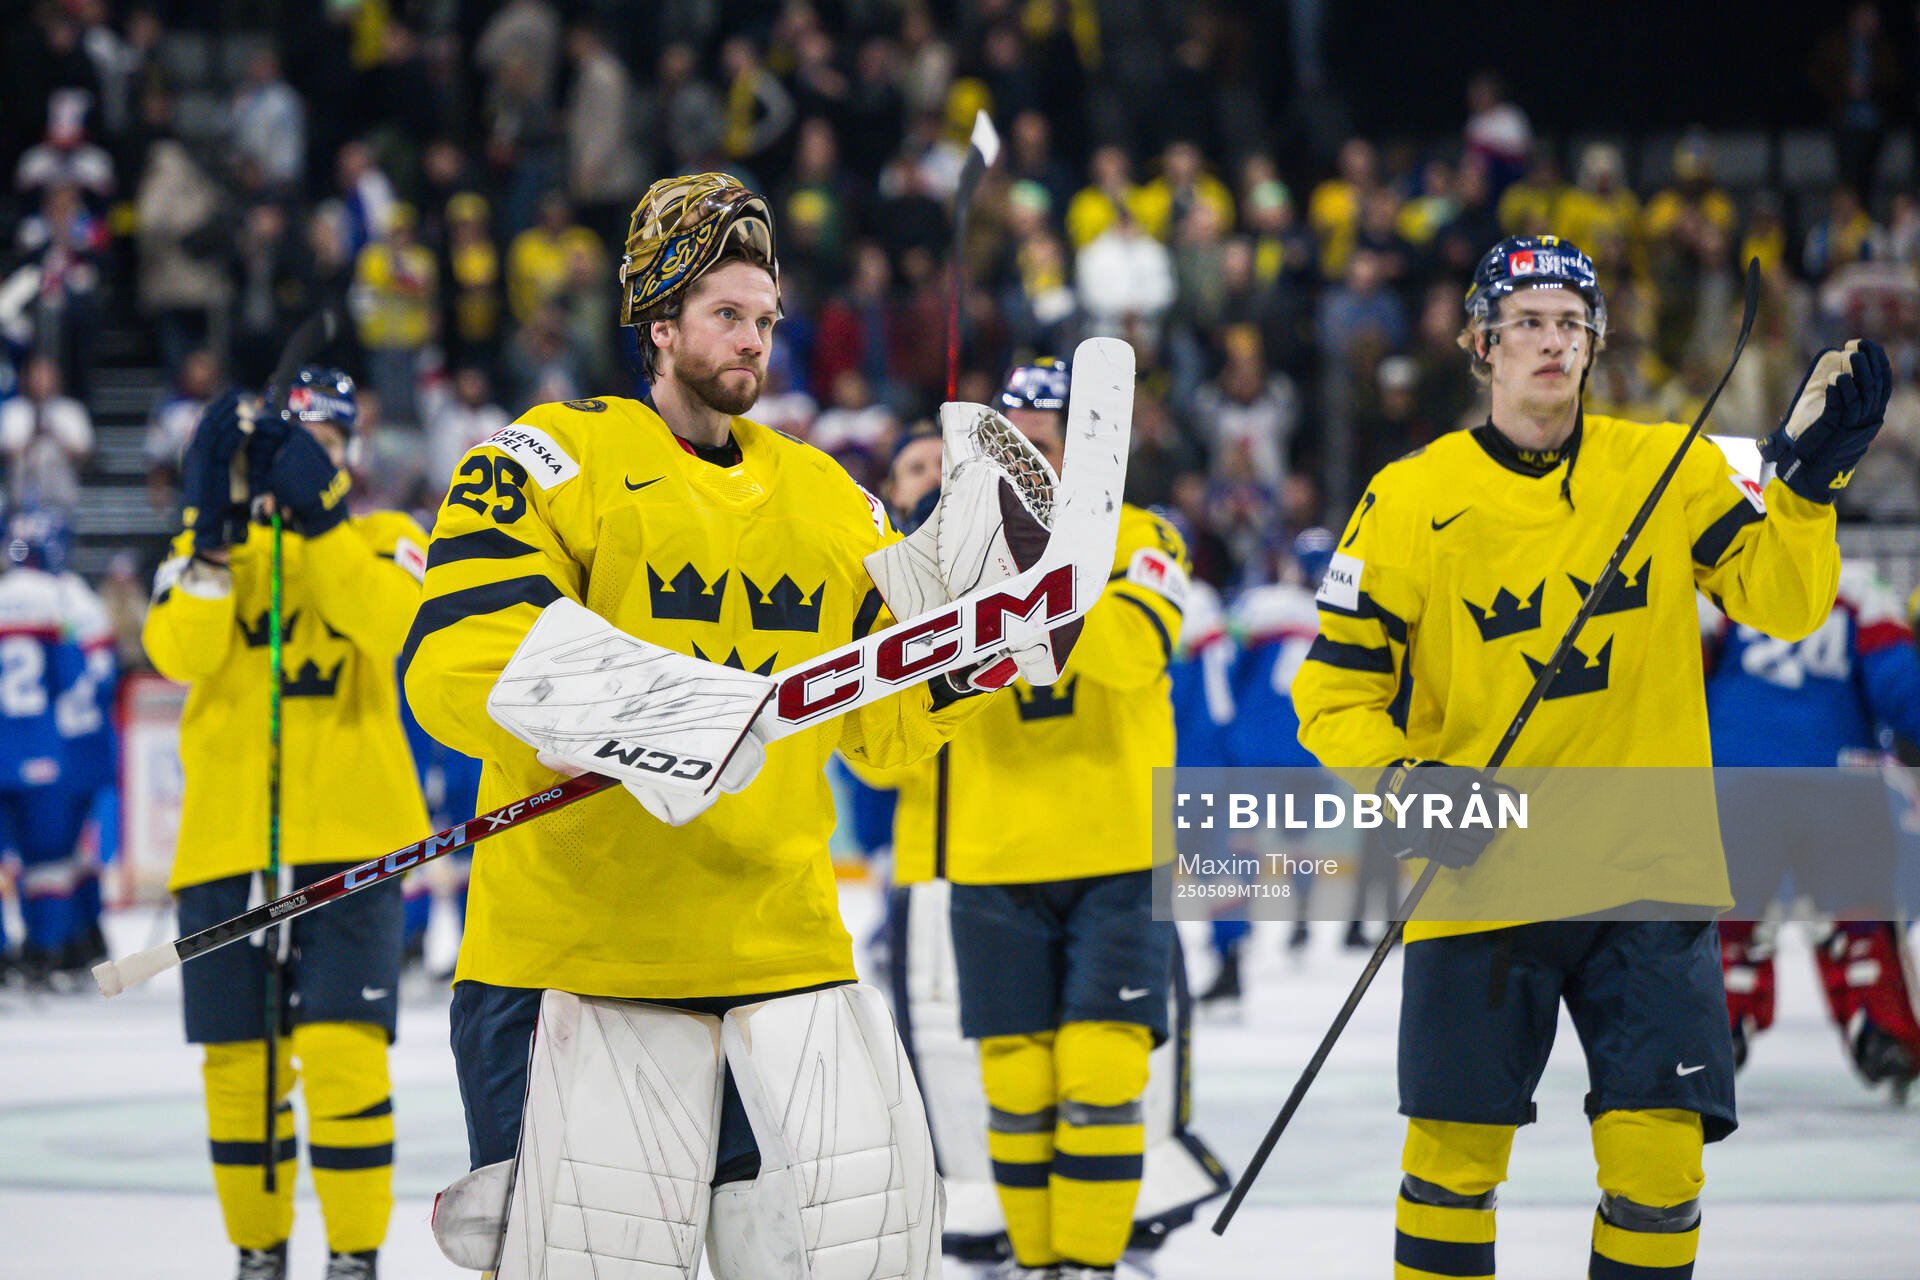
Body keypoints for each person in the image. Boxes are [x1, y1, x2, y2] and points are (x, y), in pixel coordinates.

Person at [402, 172, 1063, 1278]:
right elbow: (453, 658)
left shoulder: (828, 498)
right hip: (574, 959)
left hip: (779, 965)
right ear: (659, 327)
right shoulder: (551, 457)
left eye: (765, 320)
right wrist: (654, 711)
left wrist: (984, 641)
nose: (753, 340)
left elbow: (885, 731)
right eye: (725, 315)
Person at [1292, 233, 1888, 1279]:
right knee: (1450, 1165)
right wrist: (1405, 790)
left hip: (1645, 870)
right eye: (1527, 320)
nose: (1552, 342)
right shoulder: (1408, 497)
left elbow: (1785, 604)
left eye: (1572, 323)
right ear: (1481, 342)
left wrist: (1808, 486)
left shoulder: (1665, 462)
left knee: (1660, 1171)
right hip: (1481, 873)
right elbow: (1332, 692)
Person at [873, 360, 1210, 1279]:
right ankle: (1036, 1263)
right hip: (989, 852)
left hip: (1120, 850)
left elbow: (1135, 653)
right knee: (1015, 1085)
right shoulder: (947, 551)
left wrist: (1026, 563)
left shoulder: (1148, 535)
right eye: (1012, 437)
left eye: (1047, 438)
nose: (1028, 454)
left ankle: (1093, 1265)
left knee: (1103, 1076)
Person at [142, 368, 431, 1280]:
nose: (308, 458)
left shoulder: (388, 538)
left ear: (351, 447)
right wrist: (212, 532)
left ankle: (354, 1259)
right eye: (291, 442)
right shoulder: (211, 551)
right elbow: (179, 651)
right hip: (226, 843)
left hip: (352, 841)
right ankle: (257, 1256)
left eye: (326, 442)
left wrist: (324, 520)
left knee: (343, 1059)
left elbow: (389, 627)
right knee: (239, 1071)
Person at [1704, 562, 1920, 1097]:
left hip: (1734, 777)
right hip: (1840, 776)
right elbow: (1898, 685)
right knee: (1860, 918)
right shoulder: (1860, 586)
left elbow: (1681, 663)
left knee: (1727, 921)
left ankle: (1716, 1026)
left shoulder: (1727, 569)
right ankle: (1882, 1026)